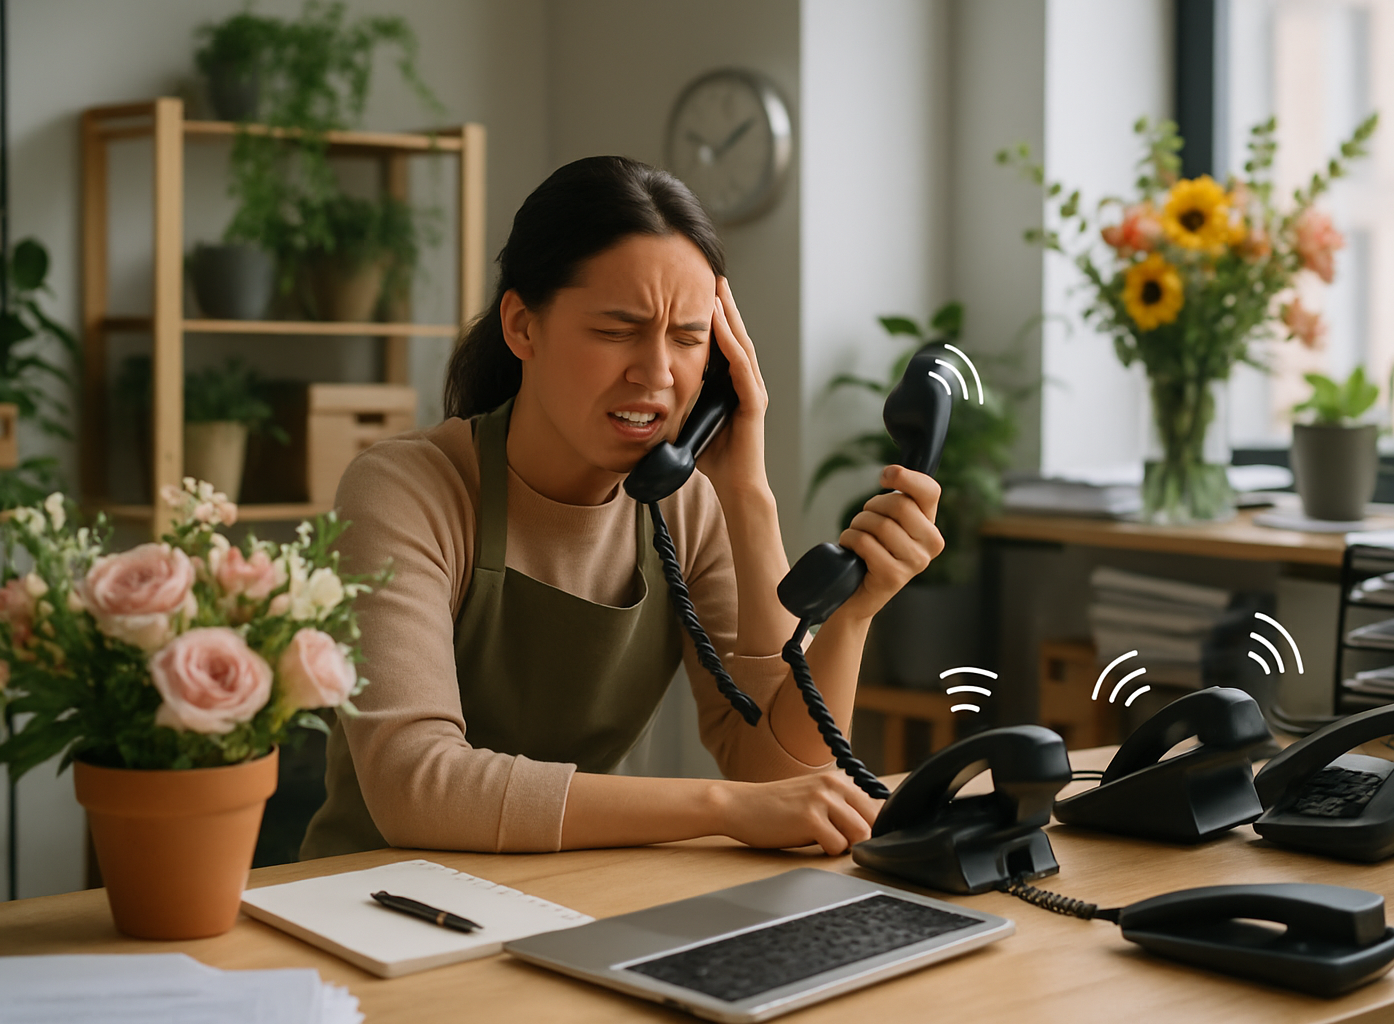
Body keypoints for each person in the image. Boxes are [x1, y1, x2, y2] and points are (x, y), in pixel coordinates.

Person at [301, 156, 944, 860]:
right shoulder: (405, 489)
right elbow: (416, 786)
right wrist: (721, 806)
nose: (657, 373)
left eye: (688, 338)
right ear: (522, 326)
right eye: (616, 331)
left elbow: (785, 778)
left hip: (571, 898)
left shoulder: (689, 508)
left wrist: (764, 514)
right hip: (371, 910)